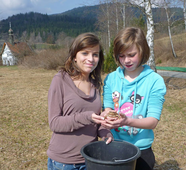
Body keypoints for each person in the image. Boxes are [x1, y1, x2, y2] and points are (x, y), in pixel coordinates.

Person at [102, 27, 166, 170]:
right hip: (114, 145)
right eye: (121, 56)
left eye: (131, 55)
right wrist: (106, 117)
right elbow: (107, 109)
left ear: (142, 51)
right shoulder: (111, 79)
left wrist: (127, 121)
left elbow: (153, 121)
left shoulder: (155, 81)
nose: (126, 60)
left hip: (141, 151)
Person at [47, 33, 113, 170]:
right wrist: (86, 117)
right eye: (85, 53)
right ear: (74, 56)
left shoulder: (95, 83)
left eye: (95, 54)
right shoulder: (60, 80)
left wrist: (104, 131)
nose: (91, 59)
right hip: (64, 162)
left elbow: (96, 118)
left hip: (90, 158)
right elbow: (54, 123)